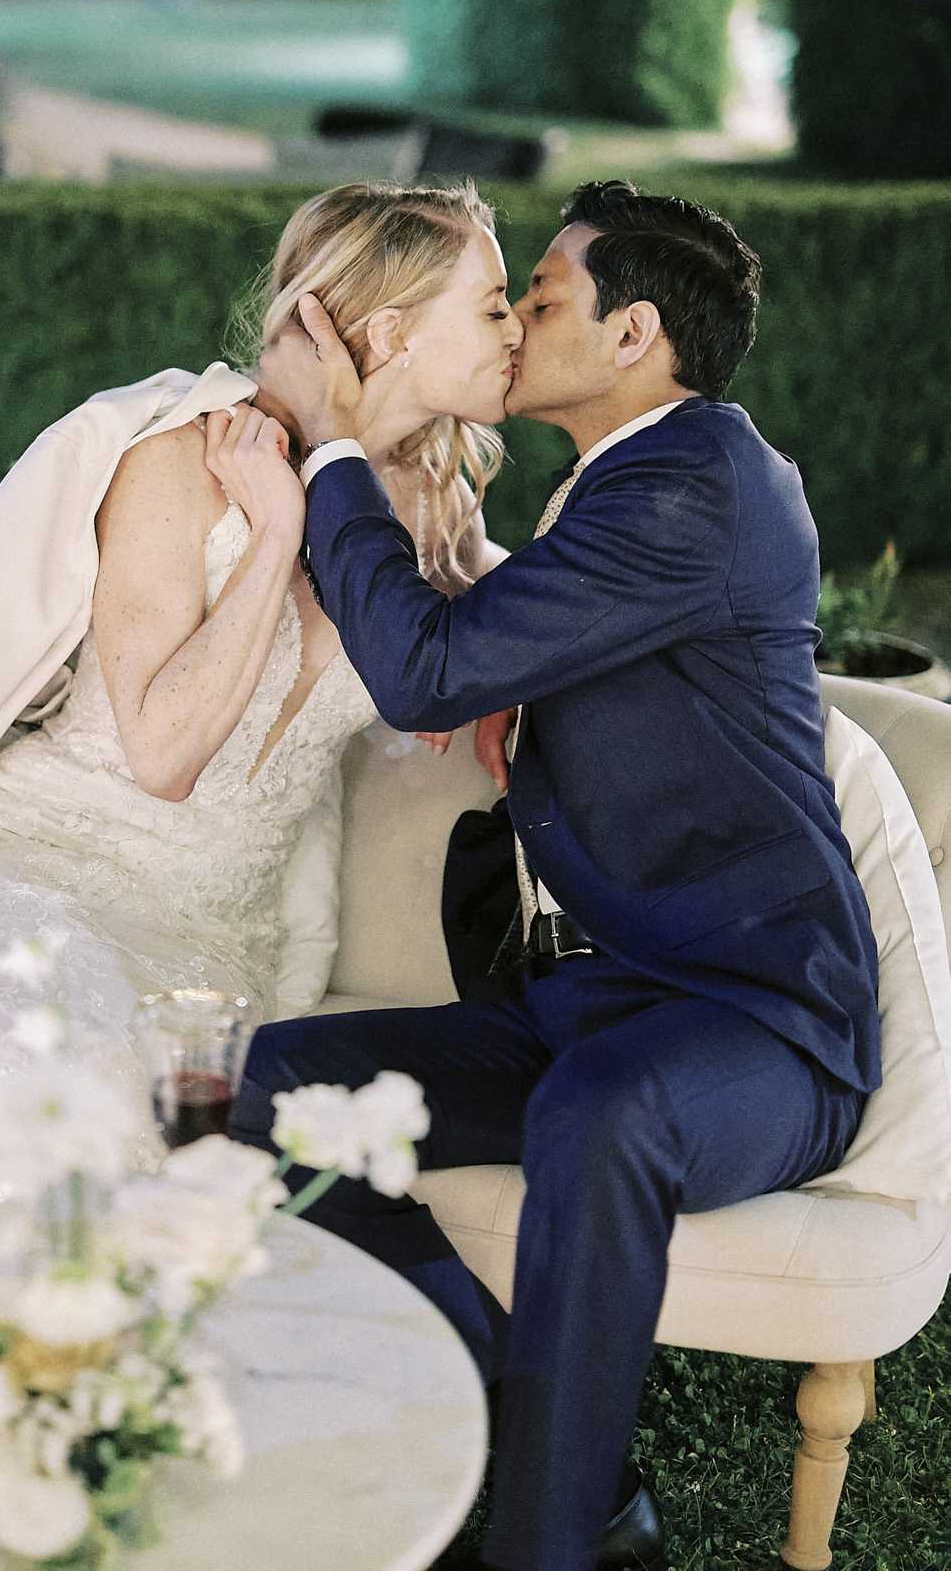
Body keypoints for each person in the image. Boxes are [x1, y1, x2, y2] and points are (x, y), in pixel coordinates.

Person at [228, 179, 881, 1571]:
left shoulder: (697, 484)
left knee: (603, 1111)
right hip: (592, 1006)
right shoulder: (633, 482)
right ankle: (493, 1415)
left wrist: (335, 451)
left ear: (633, 332)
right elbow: (490, 661)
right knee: (274, 1089)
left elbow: (423, 669)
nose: (516, 321)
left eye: (544, 296)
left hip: (756, 1023)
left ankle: (543, 1544)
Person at [0, 182, 520, 1158]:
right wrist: (272, 535)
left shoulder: (432, 499)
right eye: (490, 306)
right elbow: (162, 753)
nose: (516, 329)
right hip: (31, 873)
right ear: (391, 334)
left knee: (140, 1152)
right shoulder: (184, 464)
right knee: (30, 1080)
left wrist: (507, 687)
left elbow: (516, 607)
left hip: (212, 942)